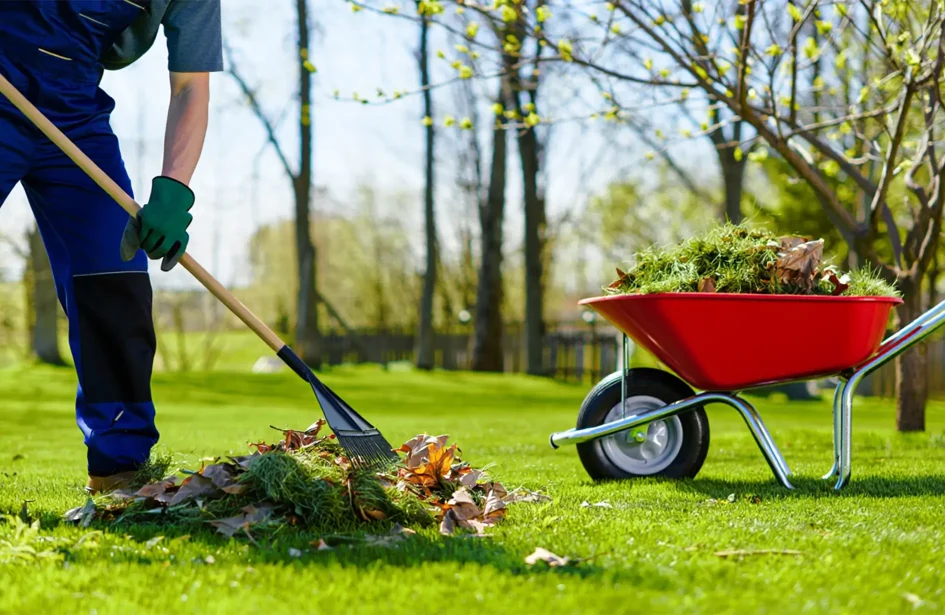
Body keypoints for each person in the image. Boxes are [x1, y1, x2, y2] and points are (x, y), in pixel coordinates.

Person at [0, 1, 223, 493]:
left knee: (114, 278)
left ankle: (120, 470)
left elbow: (190, 86)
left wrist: (175, 188)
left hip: (75, 110)